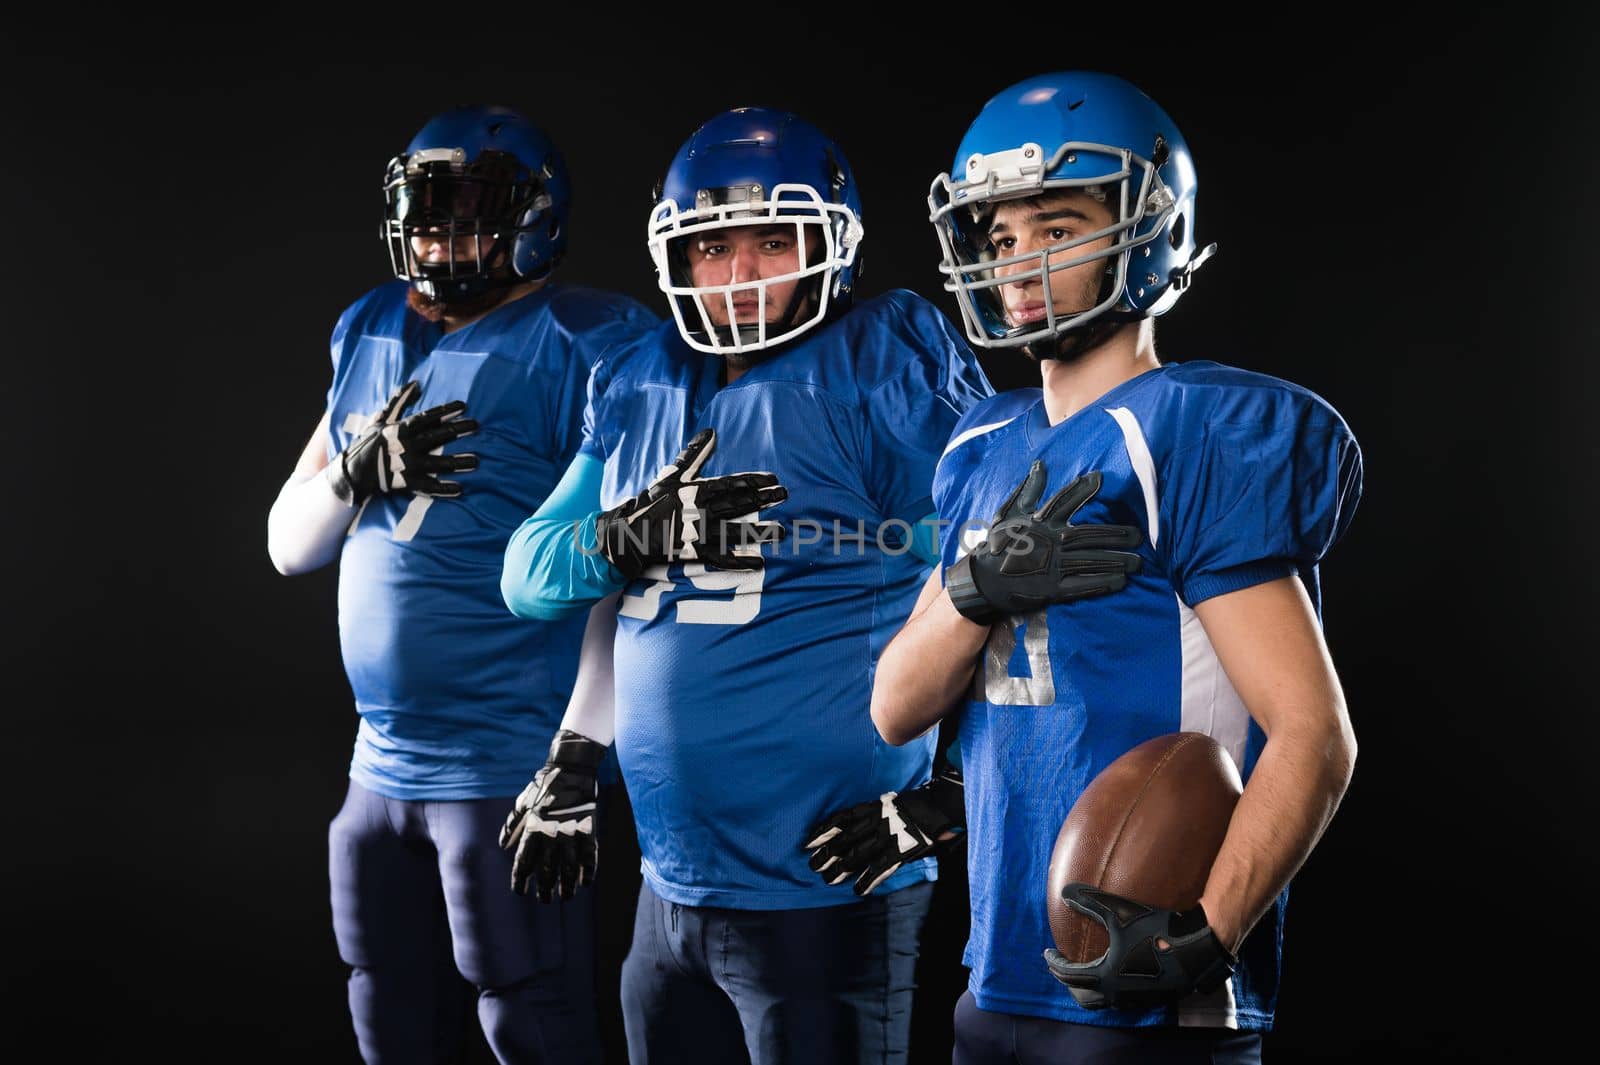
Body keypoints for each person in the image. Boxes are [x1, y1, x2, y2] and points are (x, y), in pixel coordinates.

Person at [496, 106, 1009, 1065]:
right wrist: (632, 541)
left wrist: (952, 791)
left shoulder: (879, 361)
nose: (740, 277)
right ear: (675, 259)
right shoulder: (639, 374)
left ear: (831, 246)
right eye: (714, 248)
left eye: (774, 244)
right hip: (666, 888)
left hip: (824, 889)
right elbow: (532, 575)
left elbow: (999, 575)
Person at [870, 71, 1364, 1064]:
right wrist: (973, 592)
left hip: (1147, 975)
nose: (1019, 262)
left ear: (1147, 231)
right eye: (1001, 237)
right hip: (998, 971)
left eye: (1055, 228)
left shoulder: (1192, 430)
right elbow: (893, 708)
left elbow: (1314, 733)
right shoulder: (981, 442)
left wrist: (1208, 933)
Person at [265, 104, 657, 1065]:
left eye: (469, 213)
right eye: (428, 213)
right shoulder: (367, 327)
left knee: (530, 1013)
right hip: (376, 763)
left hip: (505, 760)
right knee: (385, 1009)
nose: (442, 236)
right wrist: (354, 473)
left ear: (535, 219)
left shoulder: (589, 339)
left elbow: (621, 564)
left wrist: (579, 745)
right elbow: (286, 543)